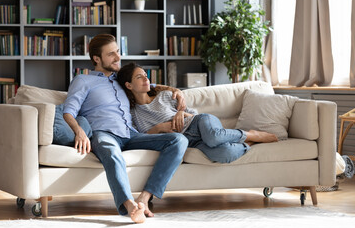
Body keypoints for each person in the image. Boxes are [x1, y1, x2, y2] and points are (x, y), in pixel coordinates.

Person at [63, 34, 189, 224]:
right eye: (111, 54)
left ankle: (145, 198)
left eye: (118, 52)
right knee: (112, 153)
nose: (118, 57)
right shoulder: (83, 80)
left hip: (131, 134)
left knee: (179, 140)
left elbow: (151, 86)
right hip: (103, 134)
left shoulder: (122, 80)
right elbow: (68, 112)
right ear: (97, 59)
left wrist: (176, 91)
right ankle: (130, 206)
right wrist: (79, 131)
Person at [117, 63, 278, 164]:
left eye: (146, 75)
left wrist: (181, 113)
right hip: (190, 141)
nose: (146, 79)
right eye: (139, 77)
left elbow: (195, 115)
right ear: (129, 85)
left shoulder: (165, 95)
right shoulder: (132, 113)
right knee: (224, 154)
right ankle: (246, 144)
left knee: (213, 136)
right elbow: (140, 138)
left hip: (200, 125)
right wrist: (159, 127)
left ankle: (250, 134)